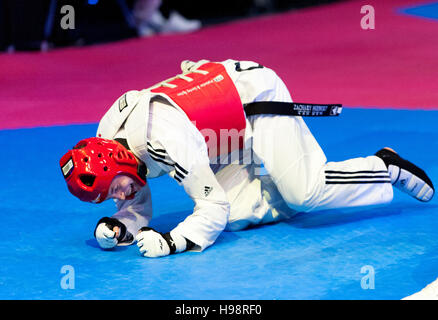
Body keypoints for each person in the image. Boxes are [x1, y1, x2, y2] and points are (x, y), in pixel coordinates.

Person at [59, 59, 435, 258]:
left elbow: (210, 207)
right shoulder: (110, 140)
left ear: (117, 162)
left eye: (116, 191)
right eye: (111, 197)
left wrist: (172, 242)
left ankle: (383, 167)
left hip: (254, 99)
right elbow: (137, 195)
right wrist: (122, 226)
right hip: (215, 130)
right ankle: (287, 186)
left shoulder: (164, 139)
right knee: (236, 215)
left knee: (305, 192)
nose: (120, 197)